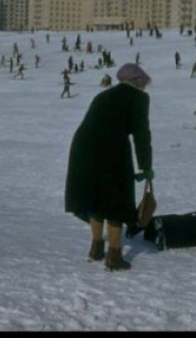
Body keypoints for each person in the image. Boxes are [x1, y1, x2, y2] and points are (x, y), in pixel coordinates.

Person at [64, 63, 154, 271]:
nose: (145, 88)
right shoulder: (139, 98)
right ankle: (114, 255)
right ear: (139, 82)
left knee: (96, 198)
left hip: (82, 148)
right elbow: (141, 134)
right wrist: (146, 167)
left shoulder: (103, 95)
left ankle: (96, 249)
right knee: (117, 200)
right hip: (111, 149)